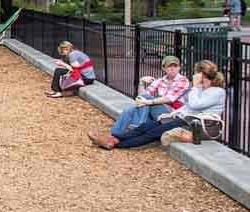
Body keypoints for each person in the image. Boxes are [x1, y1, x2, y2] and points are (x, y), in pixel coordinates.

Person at [90, 60, 226, 150]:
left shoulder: (218, 92)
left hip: (197, 125)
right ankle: (112, 138)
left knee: (152, 133)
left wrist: (195, 87)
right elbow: (188, 106)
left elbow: (196, 105)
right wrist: (170, 114)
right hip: (184, 119)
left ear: (202, 74)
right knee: (145, 127)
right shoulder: (201, 88)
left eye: (196, 72)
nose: (194, 75)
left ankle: (115, 143)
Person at [87, 55, 189, 146]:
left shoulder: (183, 81)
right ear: (164, 68)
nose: (172, 69)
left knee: (146, 99)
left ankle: (138, 127)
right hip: (157, 115)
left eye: (175, 66)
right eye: (169, 66)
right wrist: (141, 83)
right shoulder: (160, 81)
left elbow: (170, 99)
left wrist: (149, 102)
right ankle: (112, 137)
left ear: (179, 67)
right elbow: (141, 97)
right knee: (129, 110)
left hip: (172, 115)